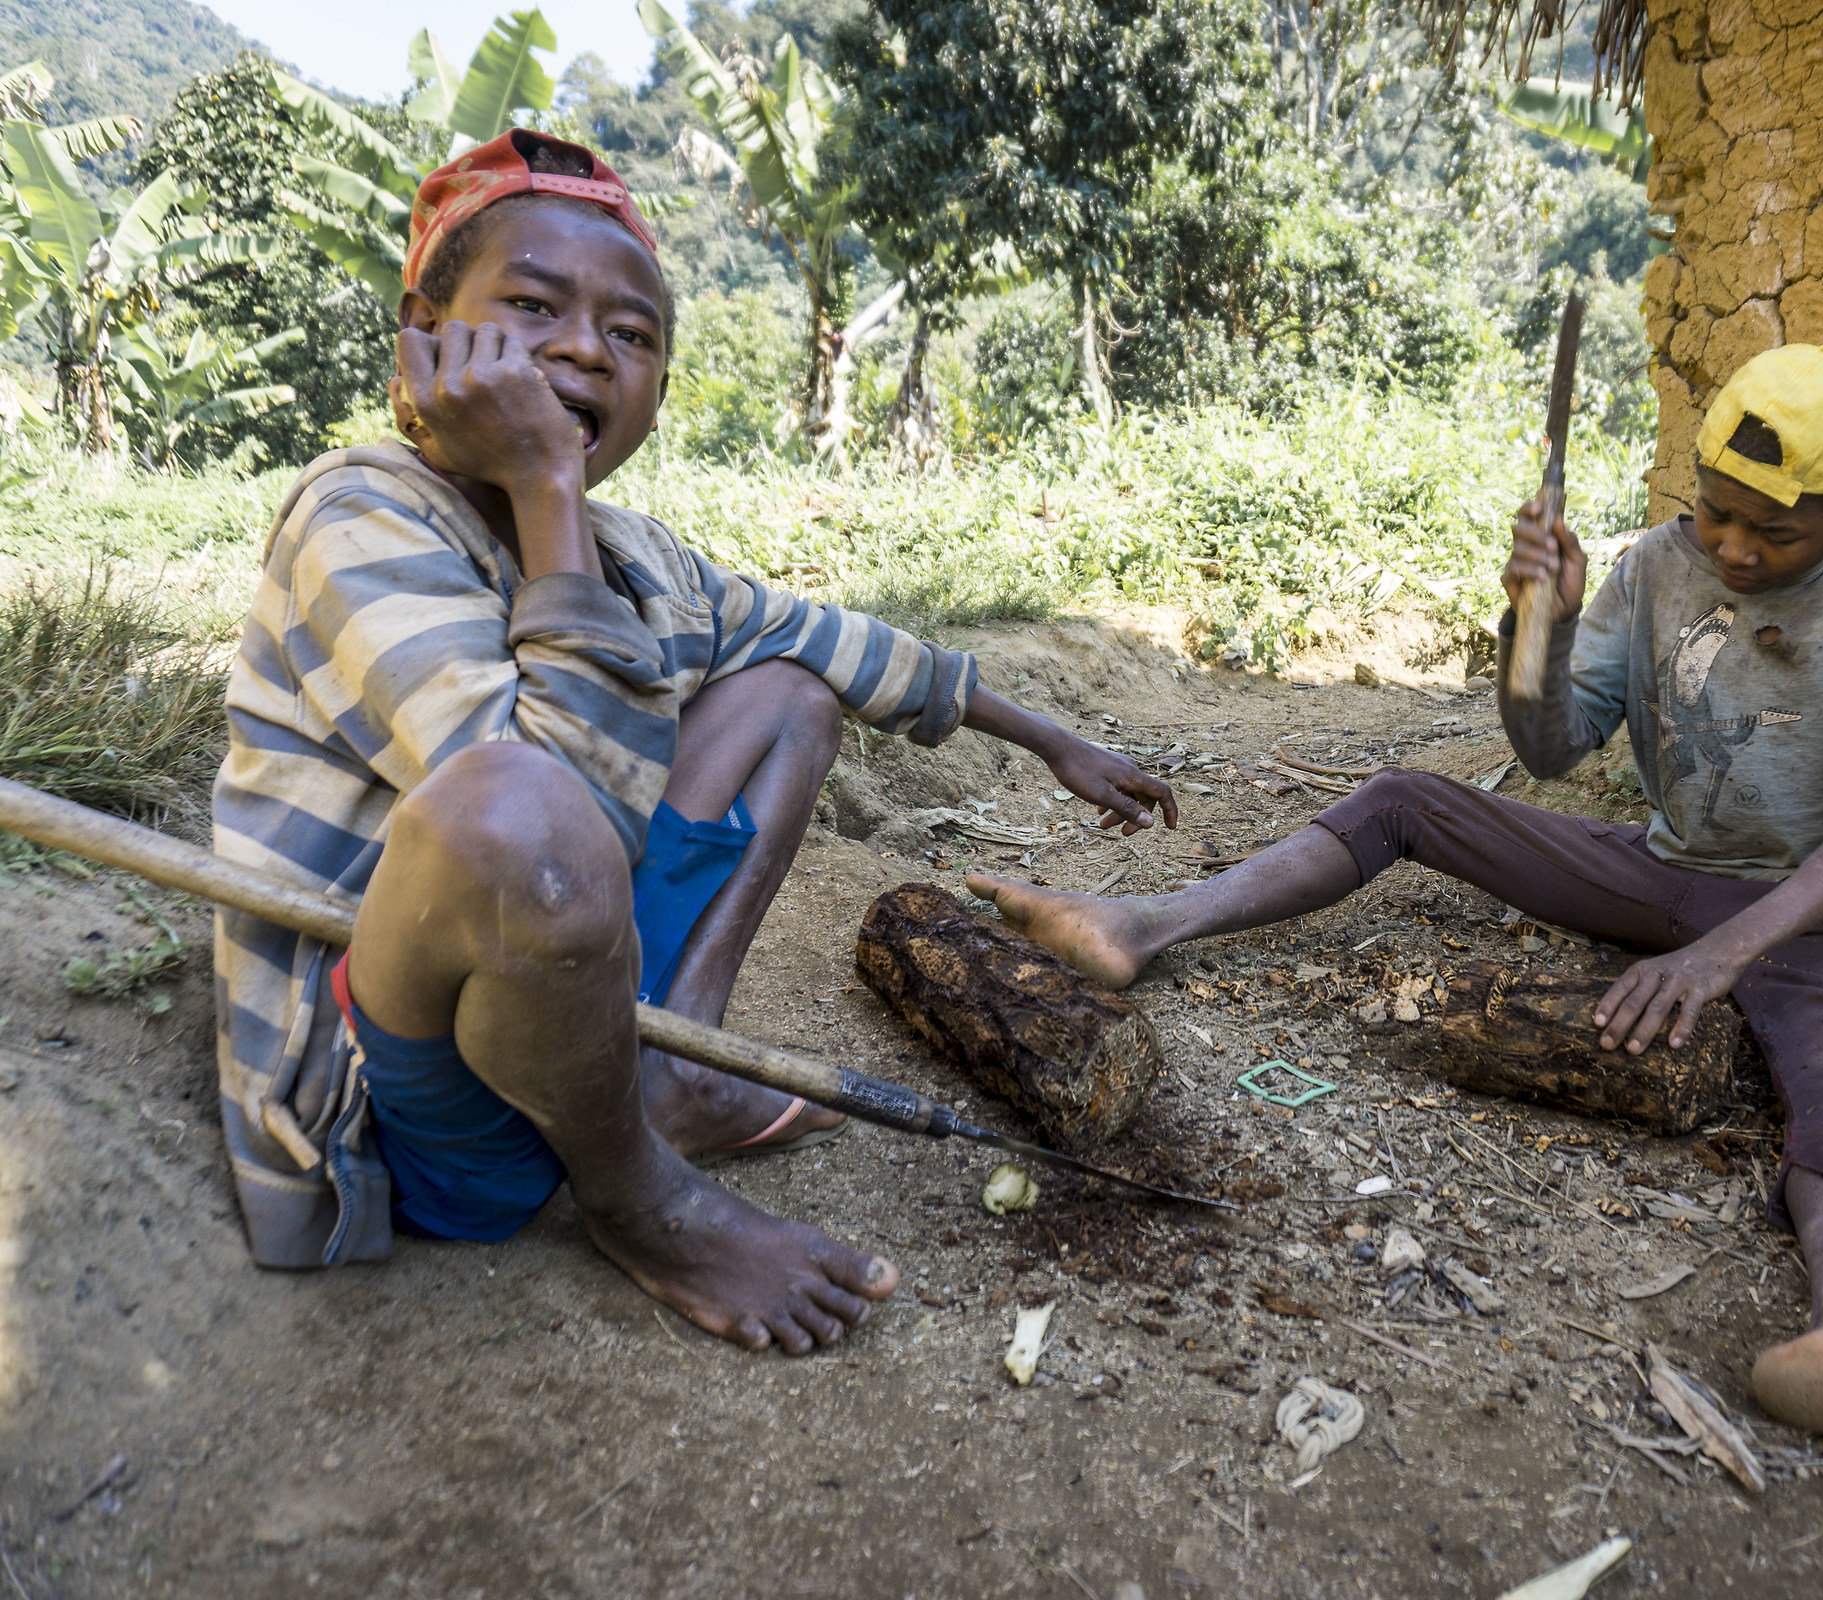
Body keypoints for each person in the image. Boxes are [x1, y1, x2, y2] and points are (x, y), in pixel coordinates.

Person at [970, 344, 1823, 1456]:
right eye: (1717, 515)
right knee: (1407, 799)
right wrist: (1533, 627)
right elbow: (1550, 748)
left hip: (1808, 908)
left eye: (1776, 532)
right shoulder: (1655, 566)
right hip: (1653, 869)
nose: (1737, 548)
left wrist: (1719, 956)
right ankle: (1145, 921)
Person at [212, 130, 1175, 1355]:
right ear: (426, 331)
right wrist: (548, 487)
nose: (581, 348)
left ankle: (678, 1075)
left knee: (788, 691)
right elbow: (544, 824)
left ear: (660, 385)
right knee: (515, 810)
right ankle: (641, 1199)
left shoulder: (642, 559)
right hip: (410, 1107)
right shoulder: (359, 516)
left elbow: (842, 643)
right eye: (532, 306)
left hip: (557, 1022)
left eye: (631, 333)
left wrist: (1050, 739)